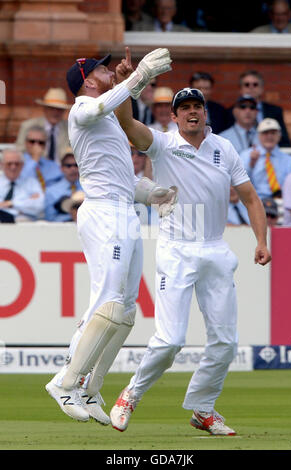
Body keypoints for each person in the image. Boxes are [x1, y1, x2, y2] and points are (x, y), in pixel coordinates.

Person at [109, 86, 271, 435]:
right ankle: (130, 395)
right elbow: (126, 123)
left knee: (226, 341)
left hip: (215, 248)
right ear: (175, 115)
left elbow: (251, 198)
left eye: (198, 106)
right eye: (185, 108)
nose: (192, 112)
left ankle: (203, 408)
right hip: (176, 249)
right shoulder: (164, 144)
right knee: (170, 340)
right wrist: (125, 85)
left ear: (205, 111)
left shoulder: (224, 148)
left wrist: (261, 240)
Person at [45, 47, 176, 424]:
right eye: (102, 69)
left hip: (122, 210)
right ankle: (65, 382)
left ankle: (89, 386)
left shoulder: (107, 120)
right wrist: (140, 77)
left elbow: (122, 181)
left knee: (125, 308)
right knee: (106, 302)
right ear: (87, 80)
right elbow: (101, 106)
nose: (108, 71)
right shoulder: (81, 110)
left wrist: (154, 193)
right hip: (104, 214)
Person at [227, 70, 291, 147]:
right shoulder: (229, 112)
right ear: (240, 89)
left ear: (262, 88)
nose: (251, 87)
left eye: (255, 84)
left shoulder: (275, 111)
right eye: (247, 85)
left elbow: (283, 140)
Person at [240, 118, 291, 200]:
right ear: (258, 135)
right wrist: (251, 164)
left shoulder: (288, 160)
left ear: (279, 136)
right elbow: (239, 183)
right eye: (265, 133)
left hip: (281, 201)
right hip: (254, 201)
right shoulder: (246, 155)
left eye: (273, 133)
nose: (269, 136)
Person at [15, 88, 71, 163]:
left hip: (64, 170)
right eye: (51, 108)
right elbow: (19, 150)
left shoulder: (70, 128)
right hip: (36, 168)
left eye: (59, 109)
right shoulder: (28, 126)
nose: (55, 112)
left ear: (64, 111)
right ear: (44, 109)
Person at [0, 147, 45, 223]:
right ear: (1, 165)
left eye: (17, 164)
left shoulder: (32, 183)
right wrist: (25, 204)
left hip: (24, 224)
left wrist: (11, 203)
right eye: (9, 164)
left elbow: (40, 205)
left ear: (22, 165)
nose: (13, 167)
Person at [44, 147, 82, 222]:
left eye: (76, 165)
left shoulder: (89, 188)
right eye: (68, 165)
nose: (73, 169)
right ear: (61, 168)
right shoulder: (51, 191)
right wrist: (71, 217)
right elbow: (50, 218)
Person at [21, 126, 63, 191]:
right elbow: (21, 180)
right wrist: (35, 159)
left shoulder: (52, 165)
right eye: (32, 141)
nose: (36, 145)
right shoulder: (17, 162)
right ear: (25, 143)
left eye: (41, 143)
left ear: (45, 145)